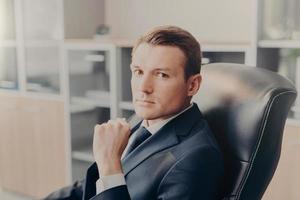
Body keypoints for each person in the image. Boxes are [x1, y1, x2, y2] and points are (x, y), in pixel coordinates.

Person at [45, 25, 224, 200]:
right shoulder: (141, 119)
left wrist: (109, 165)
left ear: (192, 85)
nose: (143, 88)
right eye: (138, 72)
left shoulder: (197, 158)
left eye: (161, 75)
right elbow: (88, 188)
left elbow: (110, 178)